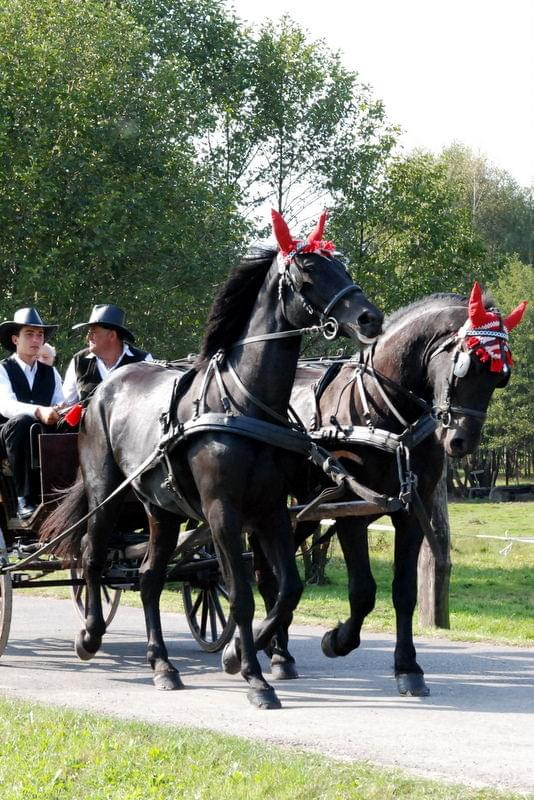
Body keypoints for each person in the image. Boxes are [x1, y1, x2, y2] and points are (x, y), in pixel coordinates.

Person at [0, 308, 65, 519]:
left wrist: (58, 410)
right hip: (7, 436)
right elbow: (5, 405)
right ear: (15, 339)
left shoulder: (51, 372)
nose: (36, 339)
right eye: (29, 334)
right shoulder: (3, 369)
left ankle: (62, 496)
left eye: (40, 335)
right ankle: (23, 498)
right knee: (21, 422)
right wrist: (38, 411)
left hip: (40, 435)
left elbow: (58, 403)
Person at [63, 304, 153, 405]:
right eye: (89, 332)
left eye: (93, 332)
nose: (88, 337)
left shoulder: (143, 361)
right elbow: (65, 404)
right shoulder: (79, 361)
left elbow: (154, 401)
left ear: (112, 335)